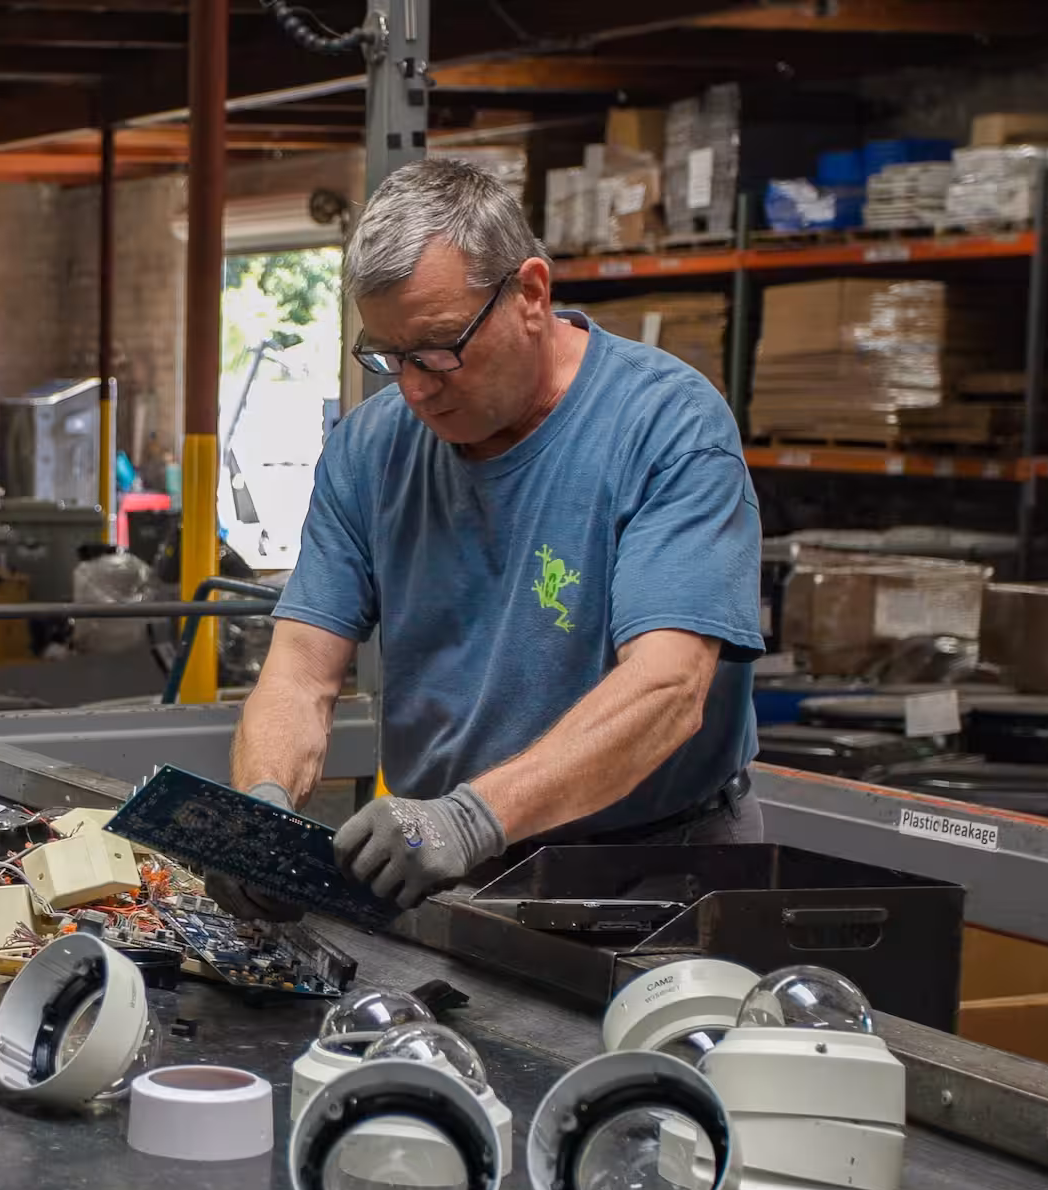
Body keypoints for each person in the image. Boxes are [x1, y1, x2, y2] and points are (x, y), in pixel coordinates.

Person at [207, 158, 763, 923]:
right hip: (445, 868)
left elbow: (668, 691)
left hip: (654, 870)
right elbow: (301, 673)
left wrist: (470, 818)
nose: (414, 388)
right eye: (389, 356)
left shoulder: (665, 428)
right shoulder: (372, 448)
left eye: (439, 349)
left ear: (530, 294)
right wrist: (260, 808)